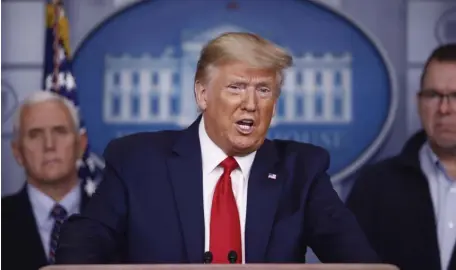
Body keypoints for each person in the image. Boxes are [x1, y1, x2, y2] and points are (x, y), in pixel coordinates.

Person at [55, 32, 379, 264]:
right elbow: (83, 243)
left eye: (263, 90)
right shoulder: (138, 161)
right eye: (236, 87)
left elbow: (358, 259)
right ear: (203, 95)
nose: (250, 104)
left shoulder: (301, 170)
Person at [346, 44, 456, 270]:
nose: (445, 108)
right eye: (434, 95)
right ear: (419, 103)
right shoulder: (374, 187)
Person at [2, 91, 91, 270]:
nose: (49, 145)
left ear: (81, 145)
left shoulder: (121, 225)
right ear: (17, 151)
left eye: (60, 131)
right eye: (35, 134)